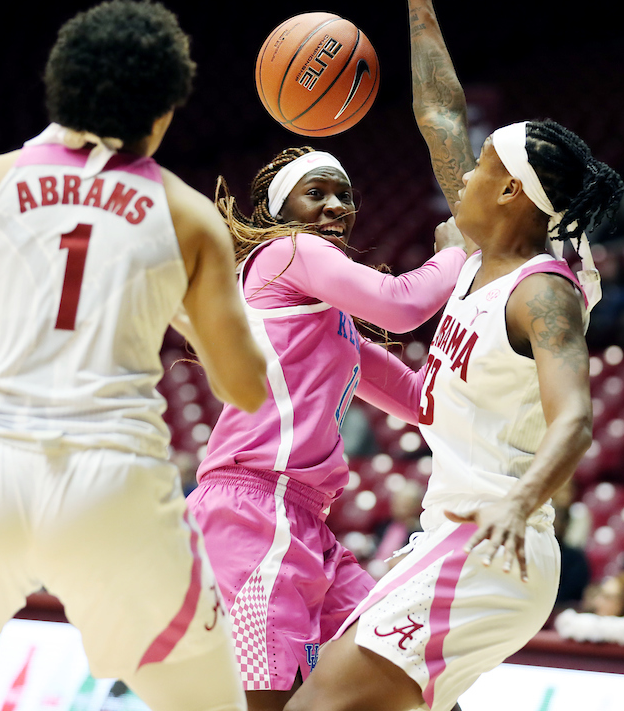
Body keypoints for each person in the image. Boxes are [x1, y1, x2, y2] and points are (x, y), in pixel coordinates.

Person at [0, 0, 268, 711]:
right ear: (164, 110)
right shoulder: (188, 215)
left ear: (58, 86)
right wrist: (187, 306)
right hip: (114, 485)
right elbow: (246, 388)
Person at [285, 0, 624, 710]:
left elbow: (574, 418)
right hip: (446, 535)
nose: (462, 173)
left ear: (511, 192)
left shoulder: (544, 292)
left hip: (492, 542)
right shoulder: (479, 254)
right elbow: (441, 116)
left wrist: (522, 497)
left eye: (482, 168)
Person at [185, 142, 467, 708]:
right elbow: (401, 305)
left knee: (406, 672)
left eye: (345, 195)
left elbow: (421, 401)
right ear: (277, 210)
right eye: (317, 193)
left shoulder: (331, 324)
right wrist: (457, 253)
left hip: (307, 523)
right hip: (251, 516)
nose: (337, 205)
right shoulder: (287, 250)